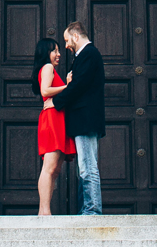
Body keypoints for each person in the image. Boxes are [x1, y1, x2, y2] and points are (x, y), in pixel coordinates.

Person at [50, 20, 106, 214]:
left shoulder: (89, 54)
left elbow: (79, 85)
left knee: (88, 167)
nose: (65, 45)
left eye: (66, 40)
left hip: (86, 120)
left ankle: (92, 210)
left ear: (75, 36)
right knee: (84, 167)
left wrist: (56, 102)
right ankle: (87, 209)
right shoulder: (84, 56)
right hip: (82, 120)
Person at [32, 37, 71, 214]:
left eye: (58, 50)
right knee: (49, 168)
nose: (58, 54)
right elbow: (45, 91)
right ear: (45, 53)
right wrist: (68, 86)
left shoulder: (50, 69)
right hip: (52, 119)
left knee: (55, 169)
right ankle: (44, 211)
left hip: (57, 119)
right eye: (54, 50)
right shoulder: (48, 68)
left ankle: (44, 210)